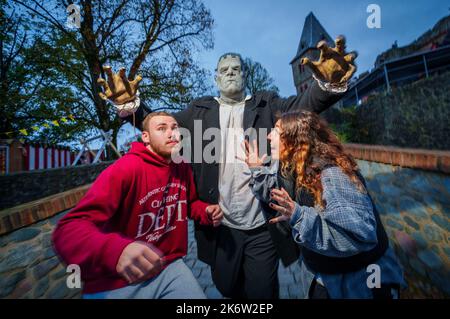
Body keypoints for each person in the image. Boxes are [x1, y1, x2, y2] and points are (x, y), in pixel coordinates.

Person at [97, 36, 358, 298]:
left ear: (244, 75)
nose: (230, 73)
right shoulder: (198, 110)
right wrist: (131, 105)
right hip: (221, 225)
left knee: (262, 293)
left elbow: (303, 106)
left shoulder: (266, 104)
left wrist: (328, 84)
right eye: (224, 70)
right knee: (226, 286)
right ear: (216, 78)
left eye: (236, 69)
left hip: (261, 223)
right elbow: (161, 125)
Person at [52, 112, 223, 299]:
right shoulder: (126, 168)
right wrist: (116, 251)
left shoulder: (182, 167)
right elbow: (67, 229)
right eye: (162, 128)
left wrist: (205, 211)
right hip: (117, 282)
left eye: (175, 128)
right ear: (146, 137)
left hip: (169, 266)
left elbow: (189, 203)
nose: (172, 133)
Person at [243, 110, 406, 299]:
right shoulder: (293, 168)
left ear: (295, 139)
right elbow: (276, 194)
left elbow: (359, 236)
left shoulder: (332, 174)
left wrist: (299, 216)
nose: (269, 136)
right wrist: (256, 169)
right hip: (326, 276)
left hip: (361, 281)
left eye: (277, 131)